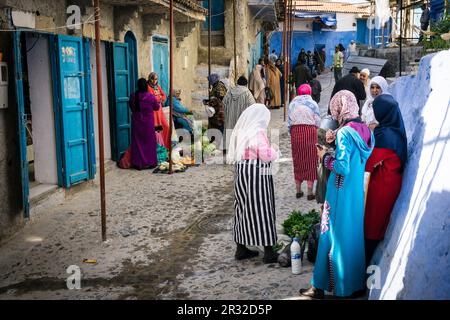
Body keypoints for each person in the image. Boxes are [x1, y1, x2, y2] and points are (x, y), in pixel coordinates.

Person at [299, 90, 374, 299]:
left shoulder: (344, 133)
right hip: (355, 195)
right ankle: (353, 284)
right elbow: (353, 156)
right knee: (351, 238)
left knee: (328, 238)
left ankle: (319, 287)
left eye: (336, 110)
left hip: (339, 192)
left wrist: (324, 156)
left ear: (341, 108)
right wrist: (334, 142)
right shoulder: (366, 130)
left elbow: (342, 166)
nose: (335, 114)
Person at [227, 104, 280, 264]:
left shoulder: (243, 131)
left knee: (242, 208)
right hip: (257, 173)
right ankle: (269, 251)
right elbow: (265, 154)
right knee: (262, 208)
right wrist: (276, 152)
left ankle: (241, 247)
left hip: (242, 172)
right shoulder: (257, 132)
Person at [364, 94, 407, 267]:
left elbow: (369, 163)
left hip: (383, 186)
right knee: (374, 225)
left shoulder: (387, 137)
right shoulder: (394, 128)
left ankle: (363, 272)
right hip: (388, 180)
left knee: (372, 228)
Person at [288, 84, 321, 201]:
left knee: (298, 160)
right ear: (309, 92)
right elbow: (317, 121)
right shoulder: (313, 104)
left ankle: (298, 190)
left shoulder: (292, 104)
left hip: (296, 132)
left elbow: (289, 122)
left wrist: (291, 132)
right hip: (310, 132)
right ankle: (309, 192)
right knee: (311, 160)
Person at [126, 78, 161, 170]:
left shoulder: (133, 96)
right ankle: (151, 162)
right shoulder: (151, 96)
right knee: (149, 142)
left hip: (137, 122)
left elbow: (131, 106)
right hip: (148, 124)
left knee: (138, 143)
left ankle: (139, 163)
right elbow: (157, 107)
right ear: (146, 86)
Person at [223, 76, 256, 151]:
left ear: (237, 83)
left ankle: (229, 148)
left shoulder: (230, 91)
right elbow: (252, 106)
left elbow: (223, 103)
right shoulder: (247, 93)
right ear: (246, 84)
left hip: (230, 118)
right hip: (242, 118)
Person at [148, 72, 170, 149]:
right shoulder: (148, 87)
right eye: (153, 79)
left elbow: (164, 96)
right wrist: (159, 98)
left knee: (166, 127)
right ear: (150, 79)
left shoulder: (157, 86)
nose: (154, 81)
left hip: (160, 111)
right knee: (157, 130)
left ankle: (166, 146)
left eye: (156, 79)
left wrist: (159, 98)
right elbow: (152, 99)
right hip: (153, 111)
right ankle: (158, 148)